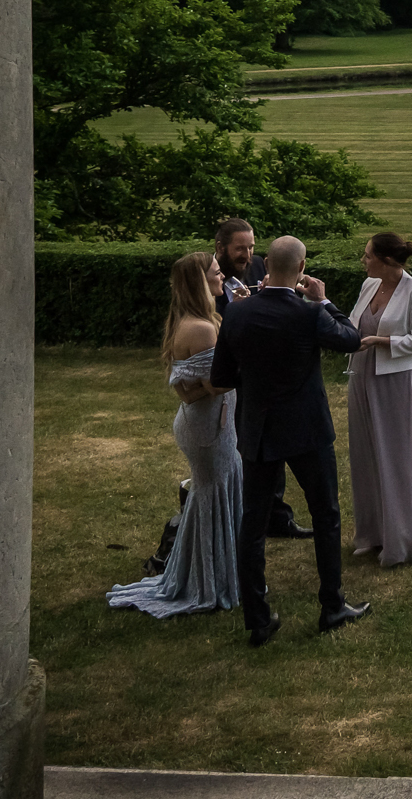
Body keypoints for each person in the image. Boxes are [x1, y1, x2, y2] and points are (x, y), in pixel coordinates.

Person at [210, 235, 370, 647]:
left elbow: (222, 378)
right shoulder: (308, 313)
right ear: (302, 270)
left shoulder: (237, 314)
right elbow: (351, 339)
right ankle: (332, 605)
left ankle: (258, 618)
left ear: (266, 264)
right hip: (306, 430)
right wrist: (324, 300)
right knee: (326, 514)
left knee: (253, 523)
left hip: (258, 429)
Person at [106, 252, 241, 617]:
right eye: (215, 272)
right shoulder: (201, 327)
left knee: (208, 495)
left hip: (201, 420)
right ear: (200, 281)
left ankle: (205, 572)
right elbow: (215, 385)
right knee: (211, 498)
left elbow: (191, 385)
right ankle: (205, 583)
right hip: (207, 426)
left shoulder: (192, 319)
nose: (222, 276)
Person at [345, 231, 412, 567]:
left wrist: (380, 341)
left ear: (387, 261)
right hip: (361, 376)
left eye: (368, 255)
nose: (364, 261)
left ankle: (402, 537)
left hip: (395, 380)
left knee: (396, 455)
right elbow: (351, 325)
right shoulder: (368, 286)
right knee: (365, 452)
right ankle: (372, 532)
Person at [211, 217, 310, 542]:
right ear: (221, 248)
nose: (247, 254)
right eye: (240, 248)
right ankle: (241, 517)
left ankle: (277, 517)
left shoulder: (256, 269)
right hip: (229, 373)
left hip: (264, 378)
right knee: (244, 452)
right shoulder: (207, 277)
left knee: (273, 448)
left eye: (252, 247)